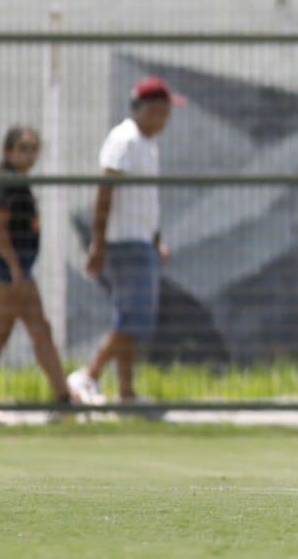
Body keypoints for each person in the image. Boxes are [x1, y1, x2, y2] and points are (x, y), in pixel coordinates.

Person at [67, 75, 184, 404]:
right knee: (130, 317)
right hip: (124, 244)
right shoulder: (124, 139)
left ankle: (126, 393)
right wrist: (98, 242)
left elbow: (147, 201)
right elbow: (105, 191)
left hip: (141, 242)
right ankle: (88, 376)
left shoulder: (148, 144)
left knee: (131, 321)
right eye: (165, 110)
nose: (168, 119)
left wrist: (155, 239)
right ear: (151, 108)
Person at [0, 126, 72, 411]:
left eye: (33, 149)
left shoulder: (16, 181)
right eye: (23, 148)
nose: (29, 155)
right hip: (8, 268)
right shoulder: (9, 181)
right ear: (8, 151)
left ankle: (64, 398)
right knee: (5, 332)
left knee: (37, 329)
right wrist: (14, 268)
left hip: (16, 267)